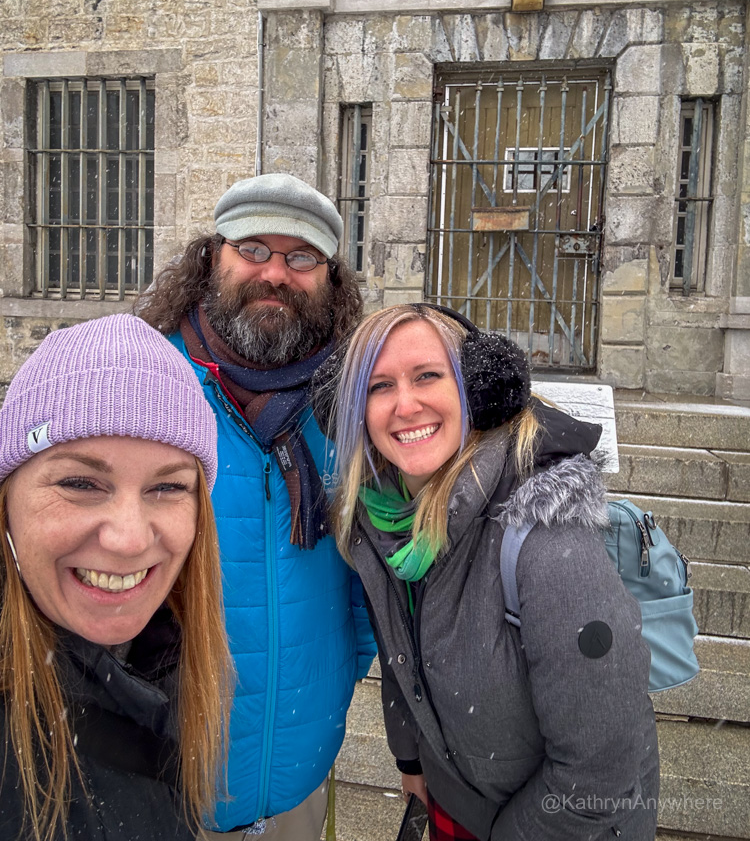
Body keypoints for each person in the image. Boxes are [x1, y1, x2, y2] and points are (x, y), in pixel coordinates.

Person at [315, 303, 659, 841]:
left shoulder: (545, 537)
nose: (405, 405)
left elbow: (602, 769)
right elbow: (400, 654)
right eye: (379, 386)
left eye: (427, 376)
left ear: (479, 388)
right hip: (455, 807)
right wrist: (410, 761)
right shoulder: (380, 520)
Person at [136, 172, 376, 839]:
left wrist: (330, 672)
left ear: (329, 278)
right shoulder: (146, 382)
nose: (276, 273)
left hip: (301, 765)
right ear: (213, 257)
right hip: (167, 775)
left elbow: (367, 572)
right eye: (253, 249)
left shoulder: (356, 402)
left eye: (302, 257)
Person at [0, 313, 232, 841]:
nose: (128, 539)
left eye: (167, 488)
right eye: (81, 482)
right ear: (8, 499)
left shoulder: (168, 656)